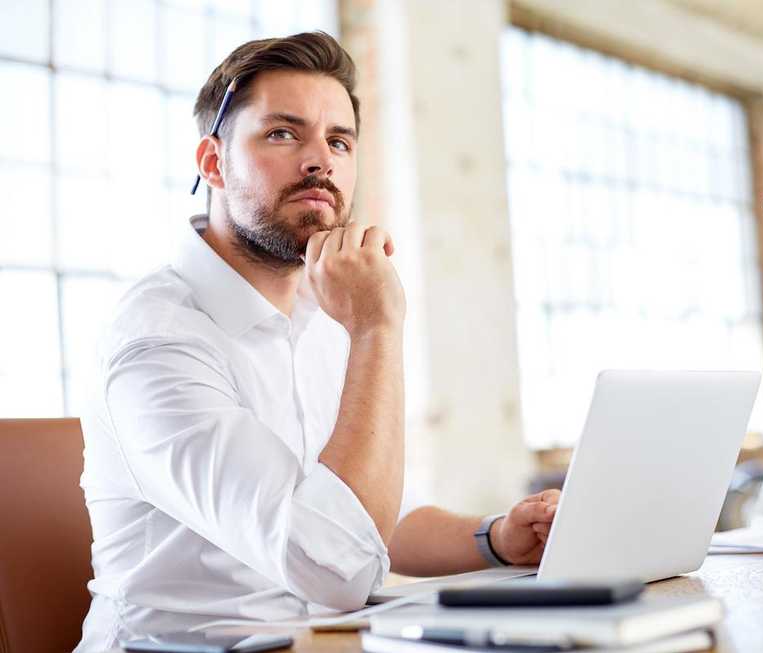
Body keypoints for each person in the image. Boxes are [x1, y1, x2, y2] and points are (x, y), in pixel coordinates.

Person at [74, 31, 559, 652]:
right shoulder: (158, 342)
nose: (319, 161)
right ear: (213, 162)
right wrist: (377, 329)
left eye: (338, 141)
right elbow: (333, 564)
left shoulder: (323, 313)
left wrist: (495, 539)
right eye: (282, 133)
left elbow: (372, 519)